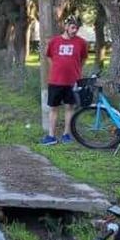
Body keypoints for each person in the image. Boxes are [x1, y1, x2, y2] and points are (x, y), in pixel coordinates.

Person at [41, 16, 89, 145]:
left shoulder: (81, 43)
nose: (75, 31)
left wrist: (76, 70)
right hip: (56, 81)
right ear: (66, 27)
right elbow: (49, 57)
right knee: (54, 108)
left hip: (72, 81)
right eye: (73, 27)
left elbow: (83, 59)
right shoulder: (54, 41)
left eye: (77, 28)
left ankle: (66, 134)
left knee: (69, 107)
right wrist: (56, 68)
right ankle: (51, 136)